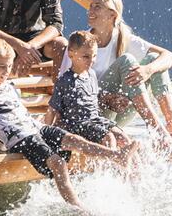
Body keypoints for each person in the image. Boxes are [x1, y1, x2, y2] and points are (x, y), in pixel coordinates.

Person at [0, 39, 133, 208]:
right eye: (1, 66)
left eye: (9, 66)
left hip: (35, 128)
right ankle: (79, 208)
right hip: (20, 137)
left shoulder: (10, 87)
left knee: (74, 140)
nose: (6, 71)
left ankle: (117, 155)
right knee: (57, 163)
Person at [61, 0, 172, 145]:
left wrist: (147, 70)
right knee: (127, 60)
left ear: (112, 15)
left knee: (153, 59)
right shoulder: (80, 43)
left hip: (120, 110)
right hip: (93, 113)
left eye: (97, 7)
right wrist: (104, 96)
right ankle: (156, 128)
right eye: (91, 6)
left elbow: (168, 56)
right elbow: (66, 87)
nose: (90, 11)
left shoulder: (124, 38)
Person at [48, 30, 140, 161]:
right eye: (86, 56)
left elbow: (92, 97)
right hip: (77, 123)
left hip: (95, 119)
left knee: (123, 137)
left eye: (95, 56)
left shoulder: (91, 75)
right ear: (71, 54)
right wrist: (47, 132)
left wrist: (109, 98)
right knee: (109, 138)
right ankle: (107, 173)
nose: (92, 61)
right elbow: (52, 109)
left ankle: (133, 176)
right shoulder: (65, 80)